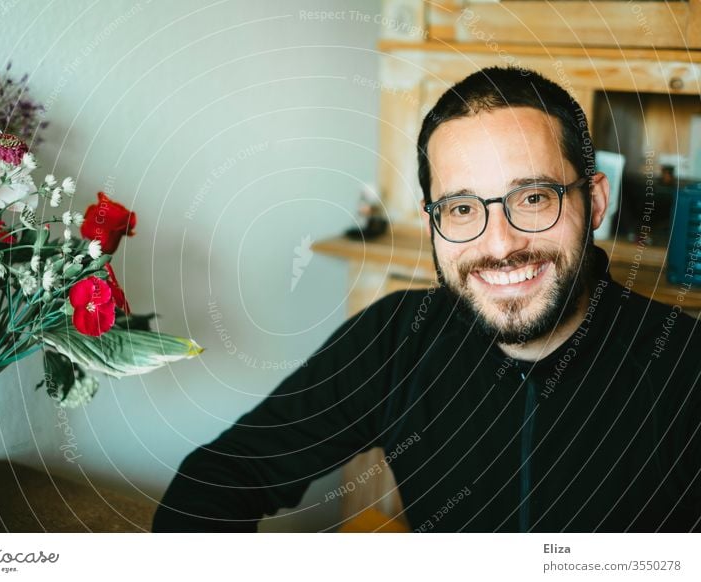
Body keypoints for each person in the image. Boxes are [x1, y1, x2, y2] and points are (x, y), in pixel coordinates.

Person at [153, 66, 700, 532]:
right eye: (462, 210)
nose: (501, 245)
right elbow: (221, 478)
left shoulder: (685, 365)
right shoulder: (398, 336)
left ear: (595, 201)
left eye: (533, 198)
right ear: (433, 224)